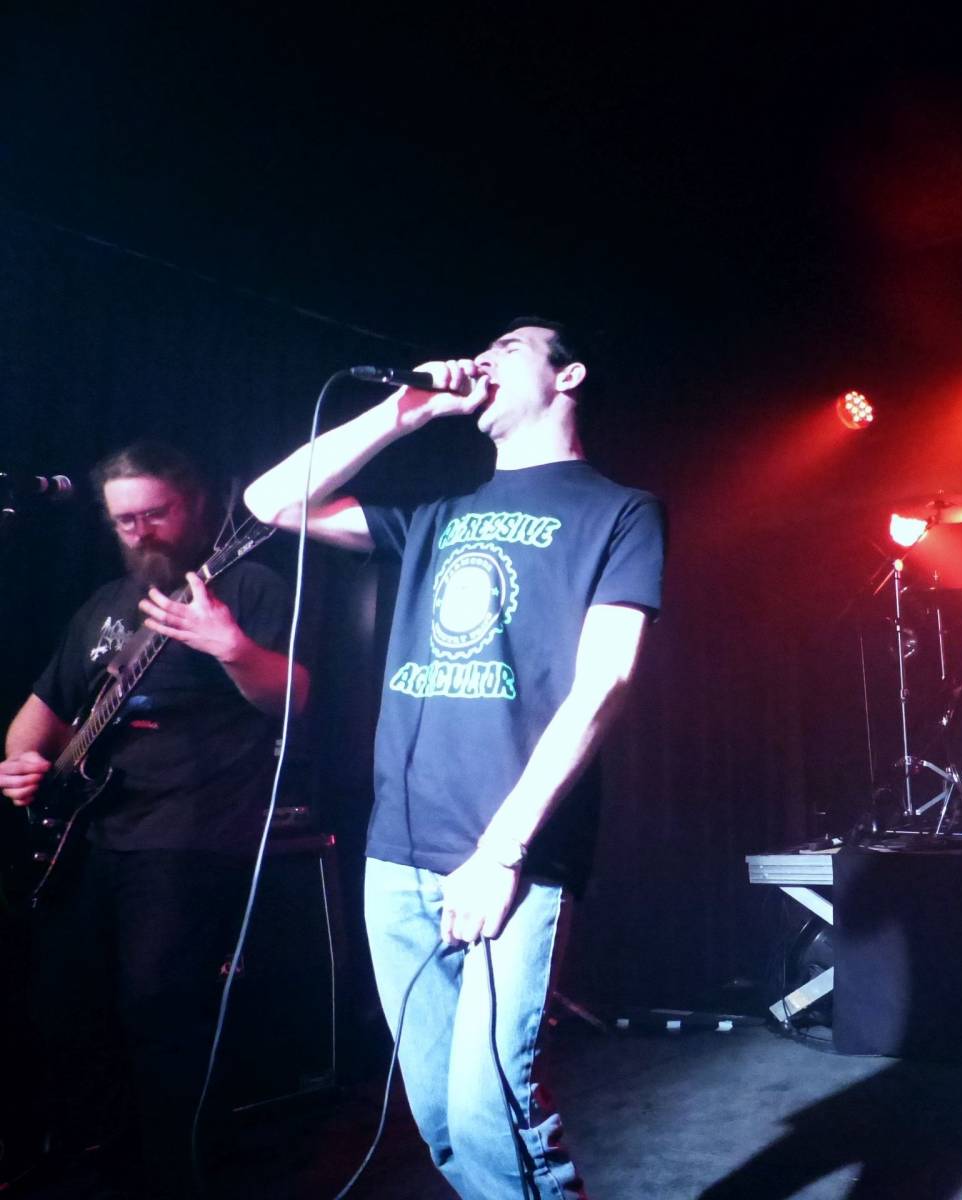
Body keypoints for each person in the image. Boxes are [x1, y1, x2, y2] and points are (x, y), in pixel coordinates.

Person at [243, 318, 665, 1200]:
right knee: (439, 1118)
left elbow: (608, 682)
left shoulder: (620, 511)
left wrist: (503, 849)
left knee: (493, 1114)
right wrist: (406, 413)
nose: (486, 355)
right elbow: (270, 501)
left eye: (512, 345)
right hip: (397, 852)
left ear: (568, 375)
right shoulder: (436, 516)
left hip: (512, 852)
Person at [0, 439, 307, 1197]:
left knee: (160, 1012)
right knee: (65, 1005)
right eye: (125, 520)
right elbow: (40, 712)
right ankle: (95, 1161)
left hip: (191, 834)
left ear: (194, 505)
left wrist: (231, 647)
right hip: (88, 833)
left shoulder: (247, 582)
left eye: (155, 513)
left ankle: (179, 1174)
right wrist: (23, 763)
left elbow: (295, 696)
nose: (141, 532)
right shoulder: (104, 604)